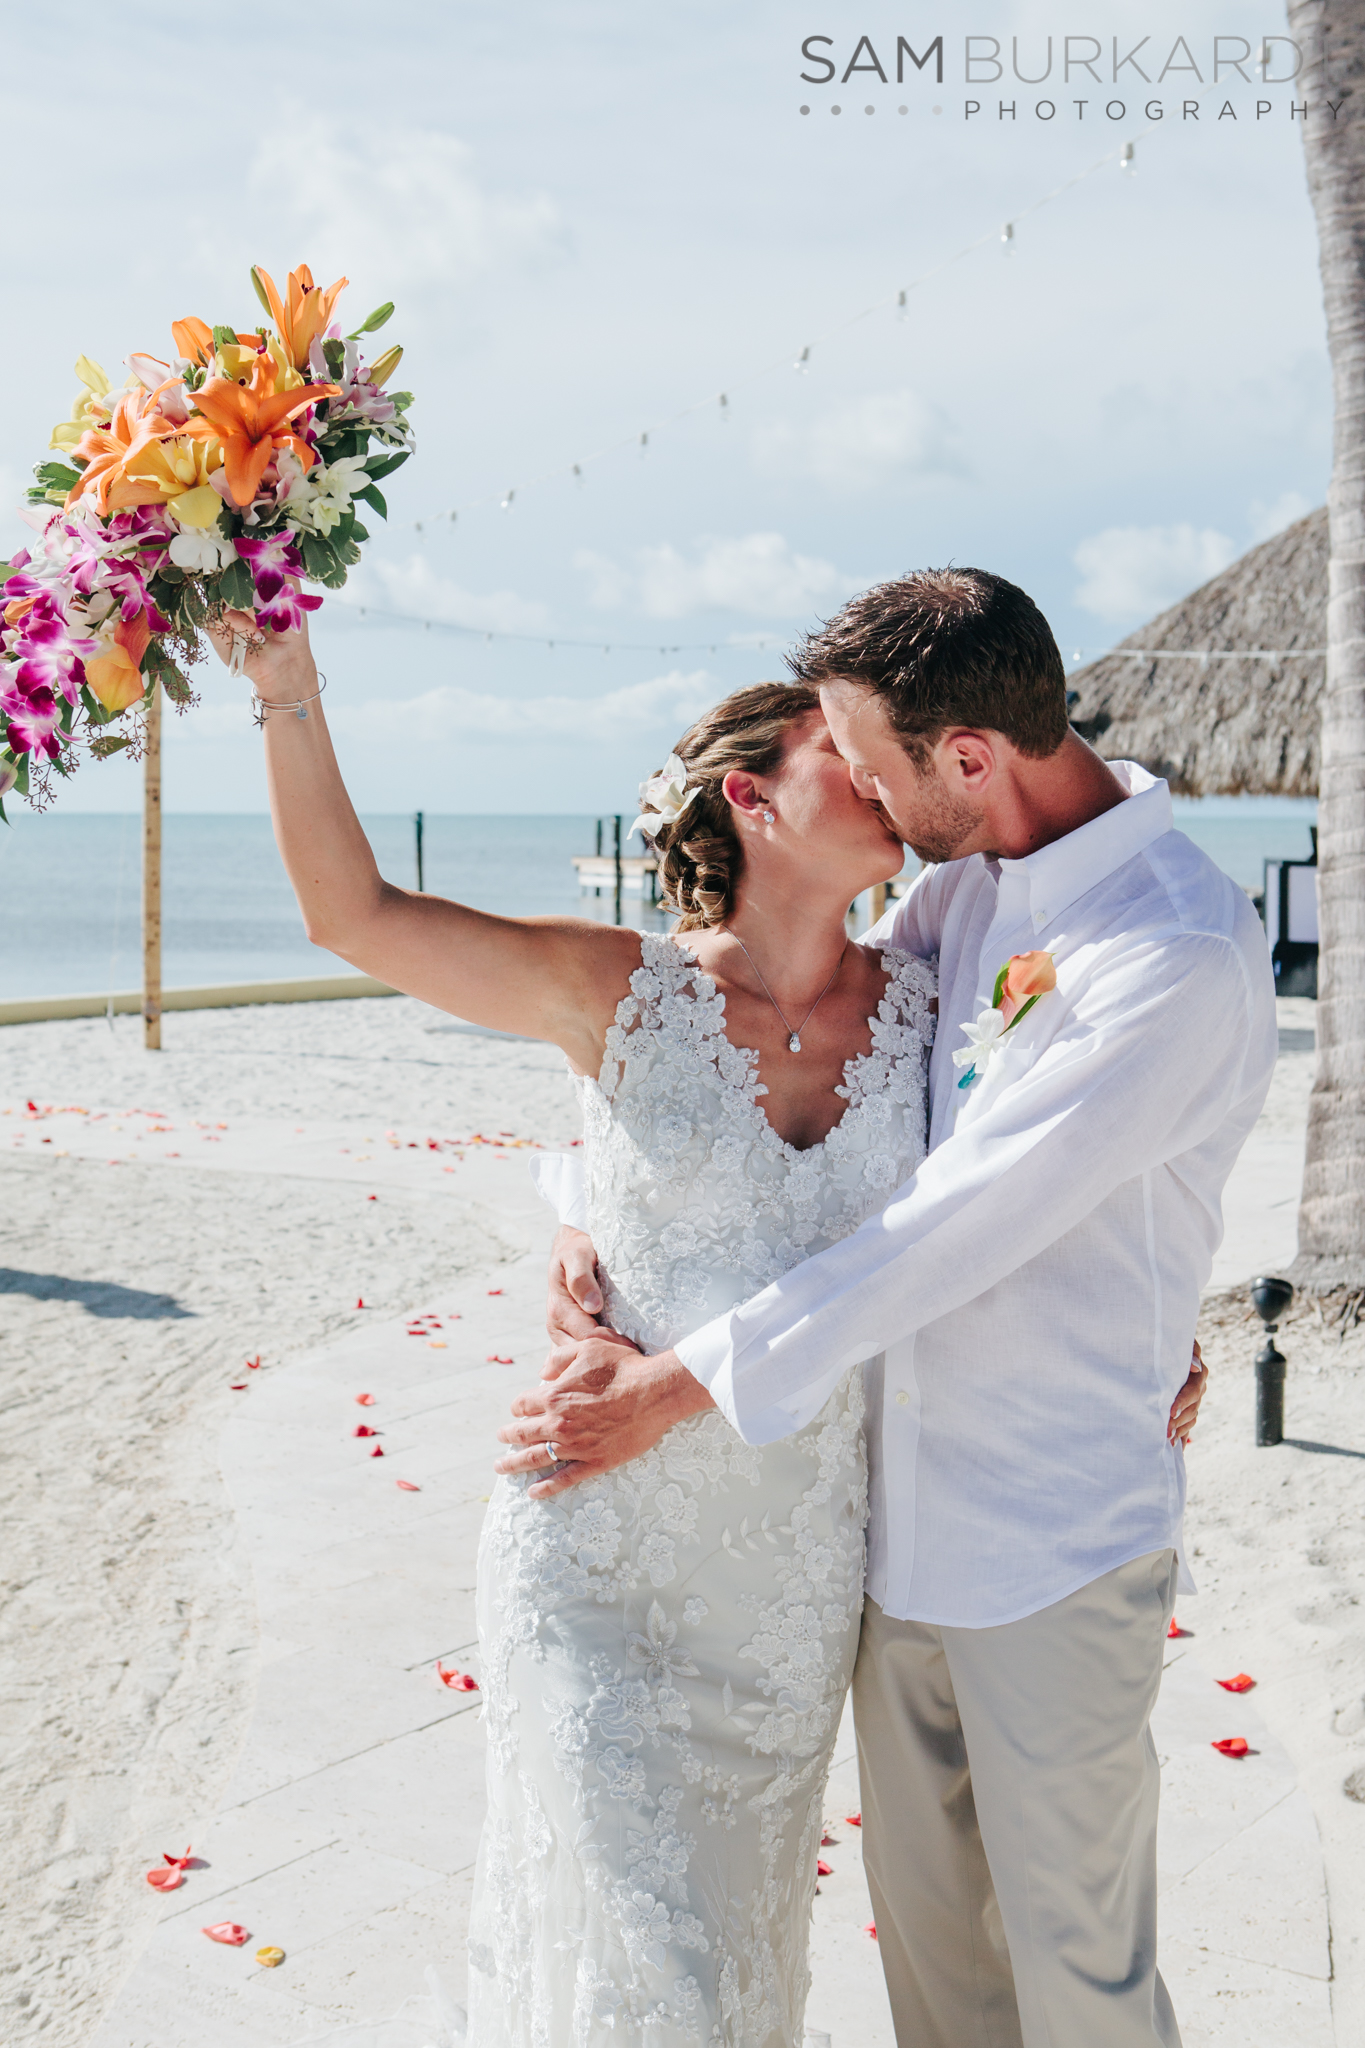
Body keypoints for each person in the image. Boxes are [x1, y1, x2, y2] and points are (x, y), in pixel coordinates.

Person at [209, 596, 1204, 2047]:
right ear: (750, 798)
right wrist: (286, 688)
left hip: (798, 1582)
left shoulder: (936, 997)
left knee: (735, 1971)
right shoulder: (611, 989)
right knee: (650, 1975)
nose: (878, 777)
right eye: (840, 757)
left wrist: (1155, 1330)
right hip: (598, 1550)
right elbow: (353, 917)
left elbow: (1032, 1190)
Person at [505, 566, 1271, 2048]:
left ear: (969, 757)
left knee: (1082, 1981)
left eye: (865, 757)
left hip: (1052, 1540)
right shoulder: (955, 891)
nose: (849, 780)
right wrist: (585, 1212)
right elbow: (784, 1077)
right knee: (940, 1983)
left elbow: (945, 1230)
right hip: (891, 1535)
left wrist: (669, 1388)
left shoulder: (1165, 953)